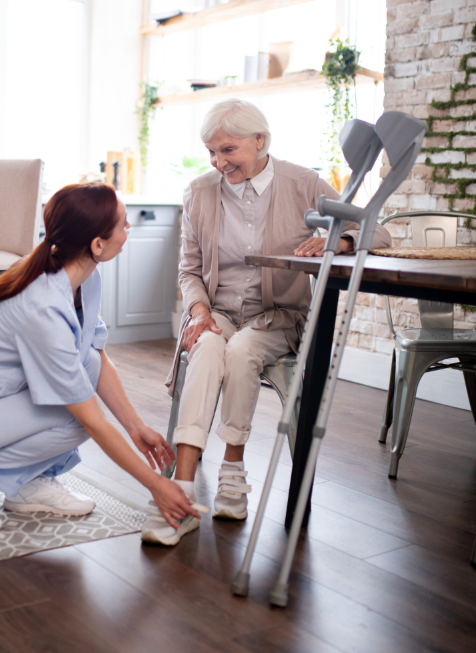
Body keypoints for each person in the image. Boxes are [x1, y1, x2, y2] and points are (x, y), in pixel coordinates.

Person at [141, 98, 391, 546]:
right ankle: (180, 488)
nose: (219, 163)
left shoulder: (302, 182)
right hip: (217, 311)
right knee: (209, 347)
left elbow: (379, 227)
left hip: (277, 318)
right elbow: (189, 268)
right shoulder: (199, 191)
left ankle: (232, 471)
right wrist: (198, 312)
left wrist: (345, 238)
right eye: (212, 152)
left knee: (240, 351)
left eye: (229, 150)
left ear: (260, 141)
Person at [0, 183, 195, 536]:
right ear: (98, 244)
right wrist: (157, 485)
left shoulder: (84, 278)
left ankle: (27, 484)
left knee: (84, 370)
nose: (128, 231)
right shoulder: (43, 306)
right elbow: (93, 422)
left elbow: (95, 355)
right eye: (124, 225)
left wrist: (136, 426)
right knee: (77, 419)